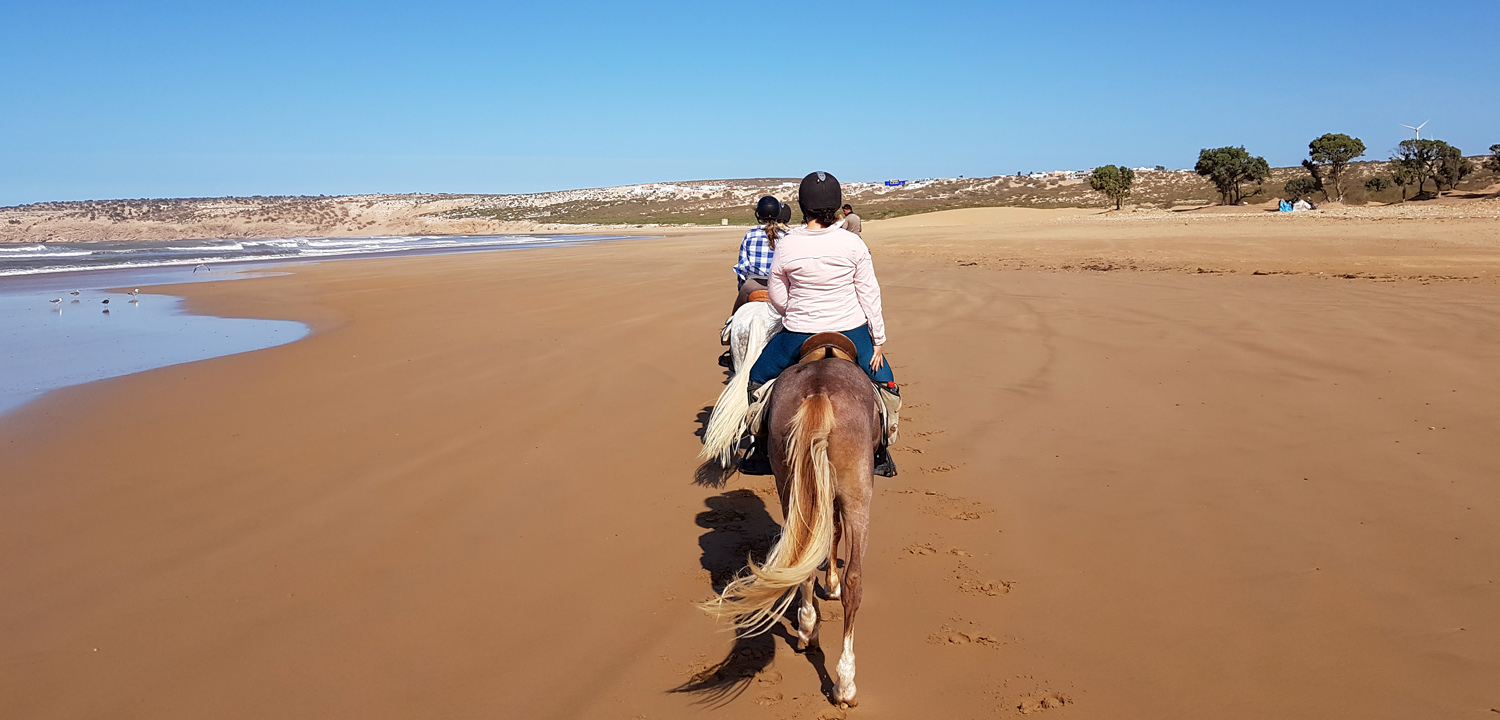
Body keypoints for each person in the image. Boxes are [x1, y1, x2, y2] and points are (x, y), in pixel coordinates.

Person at [746, 171, 900, 475]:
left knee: (756, 377)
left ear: (803, 206)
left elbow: (777, 292)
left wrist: (795, 311)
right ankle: (881, 450)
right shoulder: (853, 244)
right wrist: (878, 339)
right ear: (836, 204)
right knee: (889, 386)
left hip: (798, 332)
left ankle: (761, 450)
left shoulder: (788, 244)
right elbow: (869, 293)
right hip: (851, 330)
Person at [731, 195, 788, 313]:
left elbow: (742, 268)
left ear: (759, 215)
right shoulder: (786, 236)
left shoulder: (749, 235)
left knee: (734, 316)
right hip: (779, 286)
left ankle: (728, 327)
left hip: (752, 285)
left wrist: (741, 287)